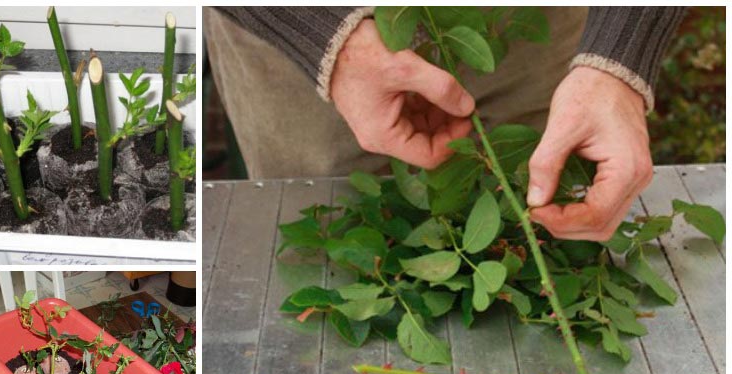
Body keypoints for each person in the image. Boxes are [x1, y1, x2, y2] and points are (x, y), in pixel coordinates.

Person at [204, 7, 686, 241]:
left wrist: (620, 58)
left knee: (539, 228)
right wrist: (324, 40)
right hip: (303, 34)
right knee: (331, 242)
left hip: (525, 28)